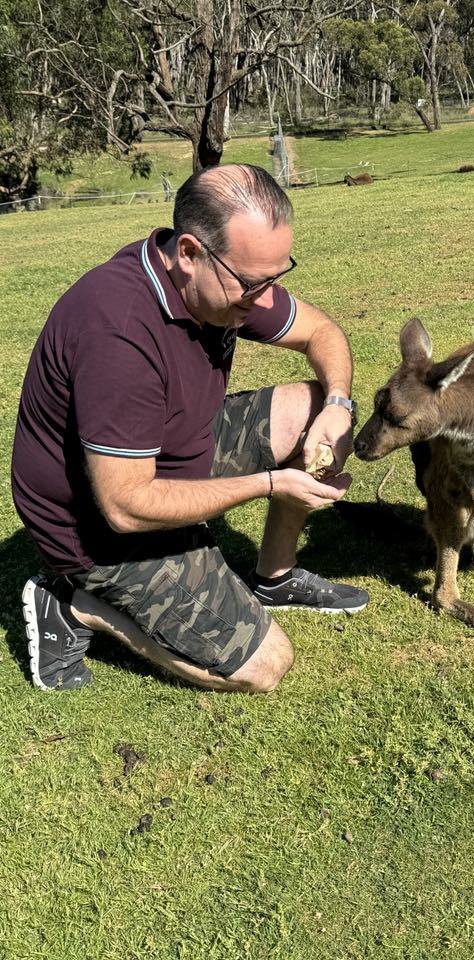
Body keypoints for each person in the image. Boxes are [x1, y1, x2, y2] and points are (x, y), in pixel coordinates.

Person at [11, 163, 368, 695]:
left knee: (312, 406)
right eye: (252, 283)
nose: (264, 297)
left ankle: (275, 575)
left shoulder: (227, 286)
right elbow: (125, 506)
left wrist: (337, 404)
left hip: (171, 448)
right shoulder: (120, 335)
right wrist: (269, 484)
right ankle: (75, 605)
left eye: (276, 276)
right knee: (264, 666)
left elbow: (323, 333)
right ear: (189, 253)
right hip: (98, 527)